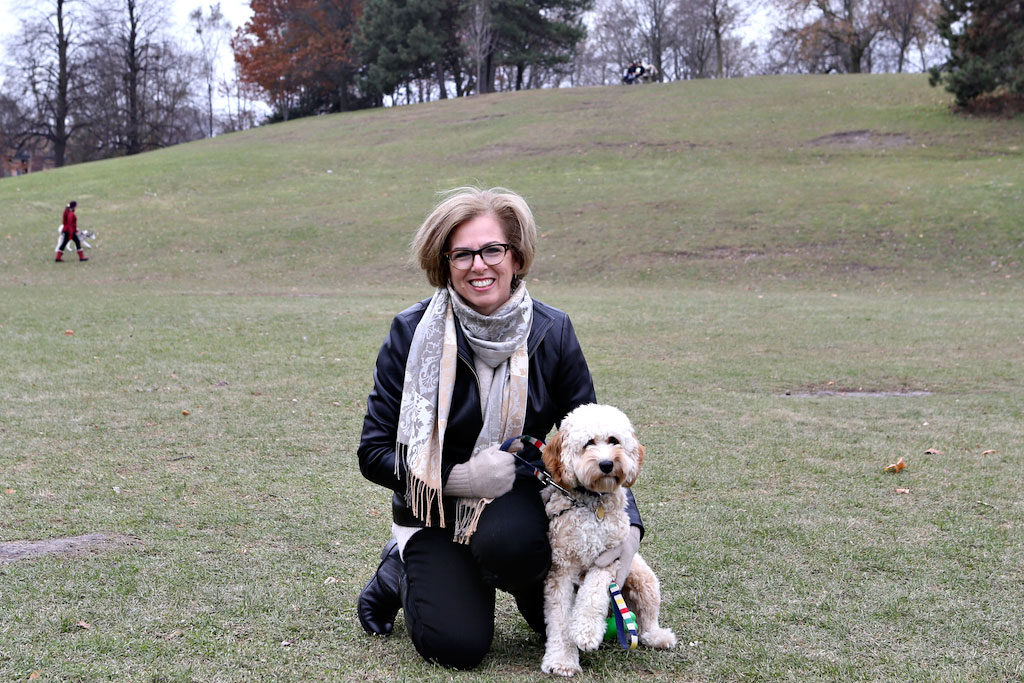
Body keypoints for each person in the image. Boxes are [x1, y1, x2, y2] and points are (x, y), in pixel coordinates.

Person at [355, 187, 645, 670]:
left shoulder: (553, 331)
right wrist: (460, 478)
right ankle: (399, 572)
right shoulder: (410, 332)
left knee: (523, 556)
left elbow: (595, 436)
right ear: (444, 263)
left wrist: (629, 525)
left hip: (516, 505)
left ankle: (511, 577)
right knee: (457, 646)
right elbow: (374, 453)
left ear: (516, 257)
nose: (478, 266)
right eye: (462, 254)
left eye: (492, 250)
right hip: (432, 510)